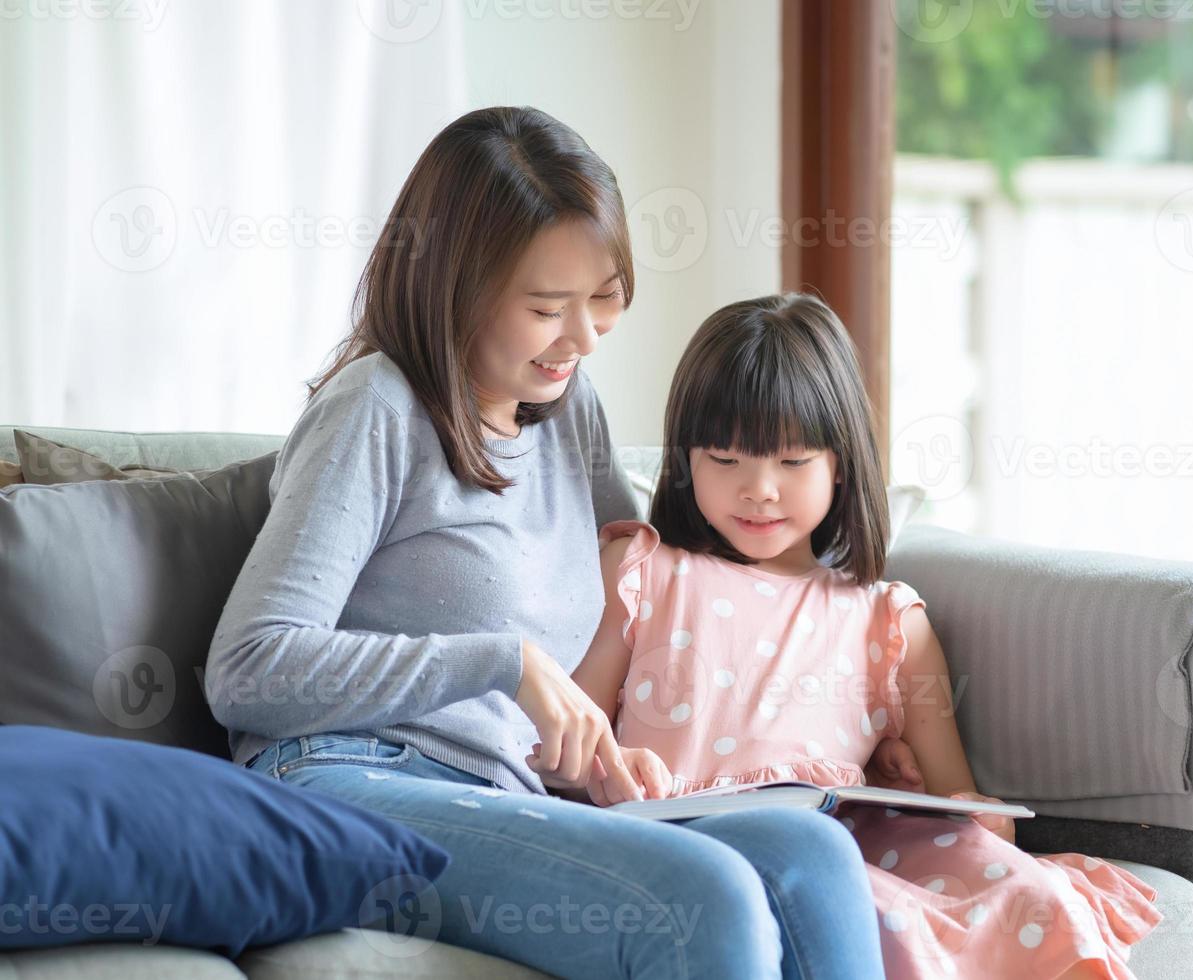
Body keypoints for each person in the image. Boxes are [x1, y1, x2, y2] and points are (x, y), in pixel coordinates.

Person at [205, 107, 888, 979]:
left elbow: (656, 577)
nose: (585, 337)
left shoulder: (569, 410)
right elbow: (247, 670)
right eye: (545, 308)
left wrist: (604, 755)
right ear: (458, 287)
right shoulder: (375, 409)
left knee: (810, 854)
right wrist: (505, 663)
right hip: (347, 778)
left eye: (603, 298)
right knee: (705, 893)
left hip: (504, 791)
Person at [572, 293, 1165, 979]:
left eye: (792, 463)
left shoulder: (889, 622)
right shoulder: (644, 571)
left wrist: (969, 810)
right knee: (840, 906)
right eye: (725, 459)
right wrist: (609, 768)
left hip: (844, 855)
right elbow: (565, 742)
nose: (758, 489)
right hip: (688, 851)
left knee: (1020, 894)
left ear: (840, 463)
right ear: (686, 460)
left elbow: (964, 809)